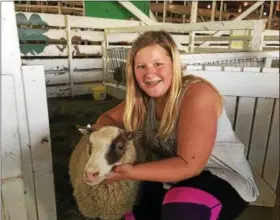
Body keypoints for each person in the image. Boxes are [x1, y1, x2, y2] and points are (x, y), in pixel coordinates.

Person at [92, 31, 259, 220]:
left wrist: (130, 172)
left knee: (183, 208)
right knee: (128, 215)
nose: (149, 74)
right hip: (171, 178)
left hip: (221, 178)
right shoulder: (144, 100)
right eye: (141, 66)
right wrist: (103, 146)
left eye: (158, 64)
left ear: (174, 64)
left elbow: (190, 166)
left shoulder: (197, 94)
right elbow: (107, 119)